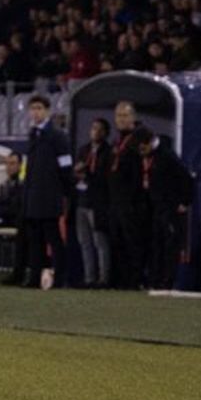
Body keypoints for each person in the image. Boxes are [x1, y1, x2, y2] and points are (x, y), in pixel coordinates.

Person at [7, 95, 71, 288]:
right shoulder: (33, 135)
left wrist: (64, 192)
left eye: (39, 108)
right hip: (34, 197)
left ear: (47, 111)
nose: (35, 112)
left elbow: (65, 166)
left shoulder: (57, 136)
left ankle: (60, 279)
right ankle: (34, 278)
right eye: (33, 108)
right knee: (35, 241)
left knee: (53, 239)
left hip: (49, 196)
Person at [137, 129, 194, 291]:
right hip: (157, 207)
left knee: (170, 246)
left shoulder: (167, 156)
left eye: (143, 148)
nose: (141, 152)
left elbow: (187, 178)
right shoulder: (151, 156)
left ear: (150, 142)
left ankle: (168, 282)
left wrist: (185, 201)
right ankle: (156, 280)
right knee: (157, 245)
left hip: (170, 208)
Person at [105, 101, 147, 289]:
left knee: (133, 242)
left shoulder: (140, 138)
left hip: (133, 202)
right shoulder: (117, 141)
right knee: (117, 241)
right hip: (116, 201)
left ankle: (135, 280)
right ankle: (119, 280)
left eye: (125, 115)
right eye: (118, 116)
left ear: (133, 117)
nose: (121, 119)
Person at [74, 118, 112, 288]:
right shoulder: (84, 150)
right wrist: (77, 173)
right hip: (82, 201)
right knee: (85, 242)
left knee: (100, 242)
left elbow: (105, 177)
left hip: (97, 203)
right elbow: (75, 170)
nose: (95, 131)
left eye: (99, 129)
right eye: (93, 128)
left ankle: (104, 278)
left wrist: (88, 174)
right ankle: (89, 278)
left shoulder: (108, 152)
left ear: (105, 133)